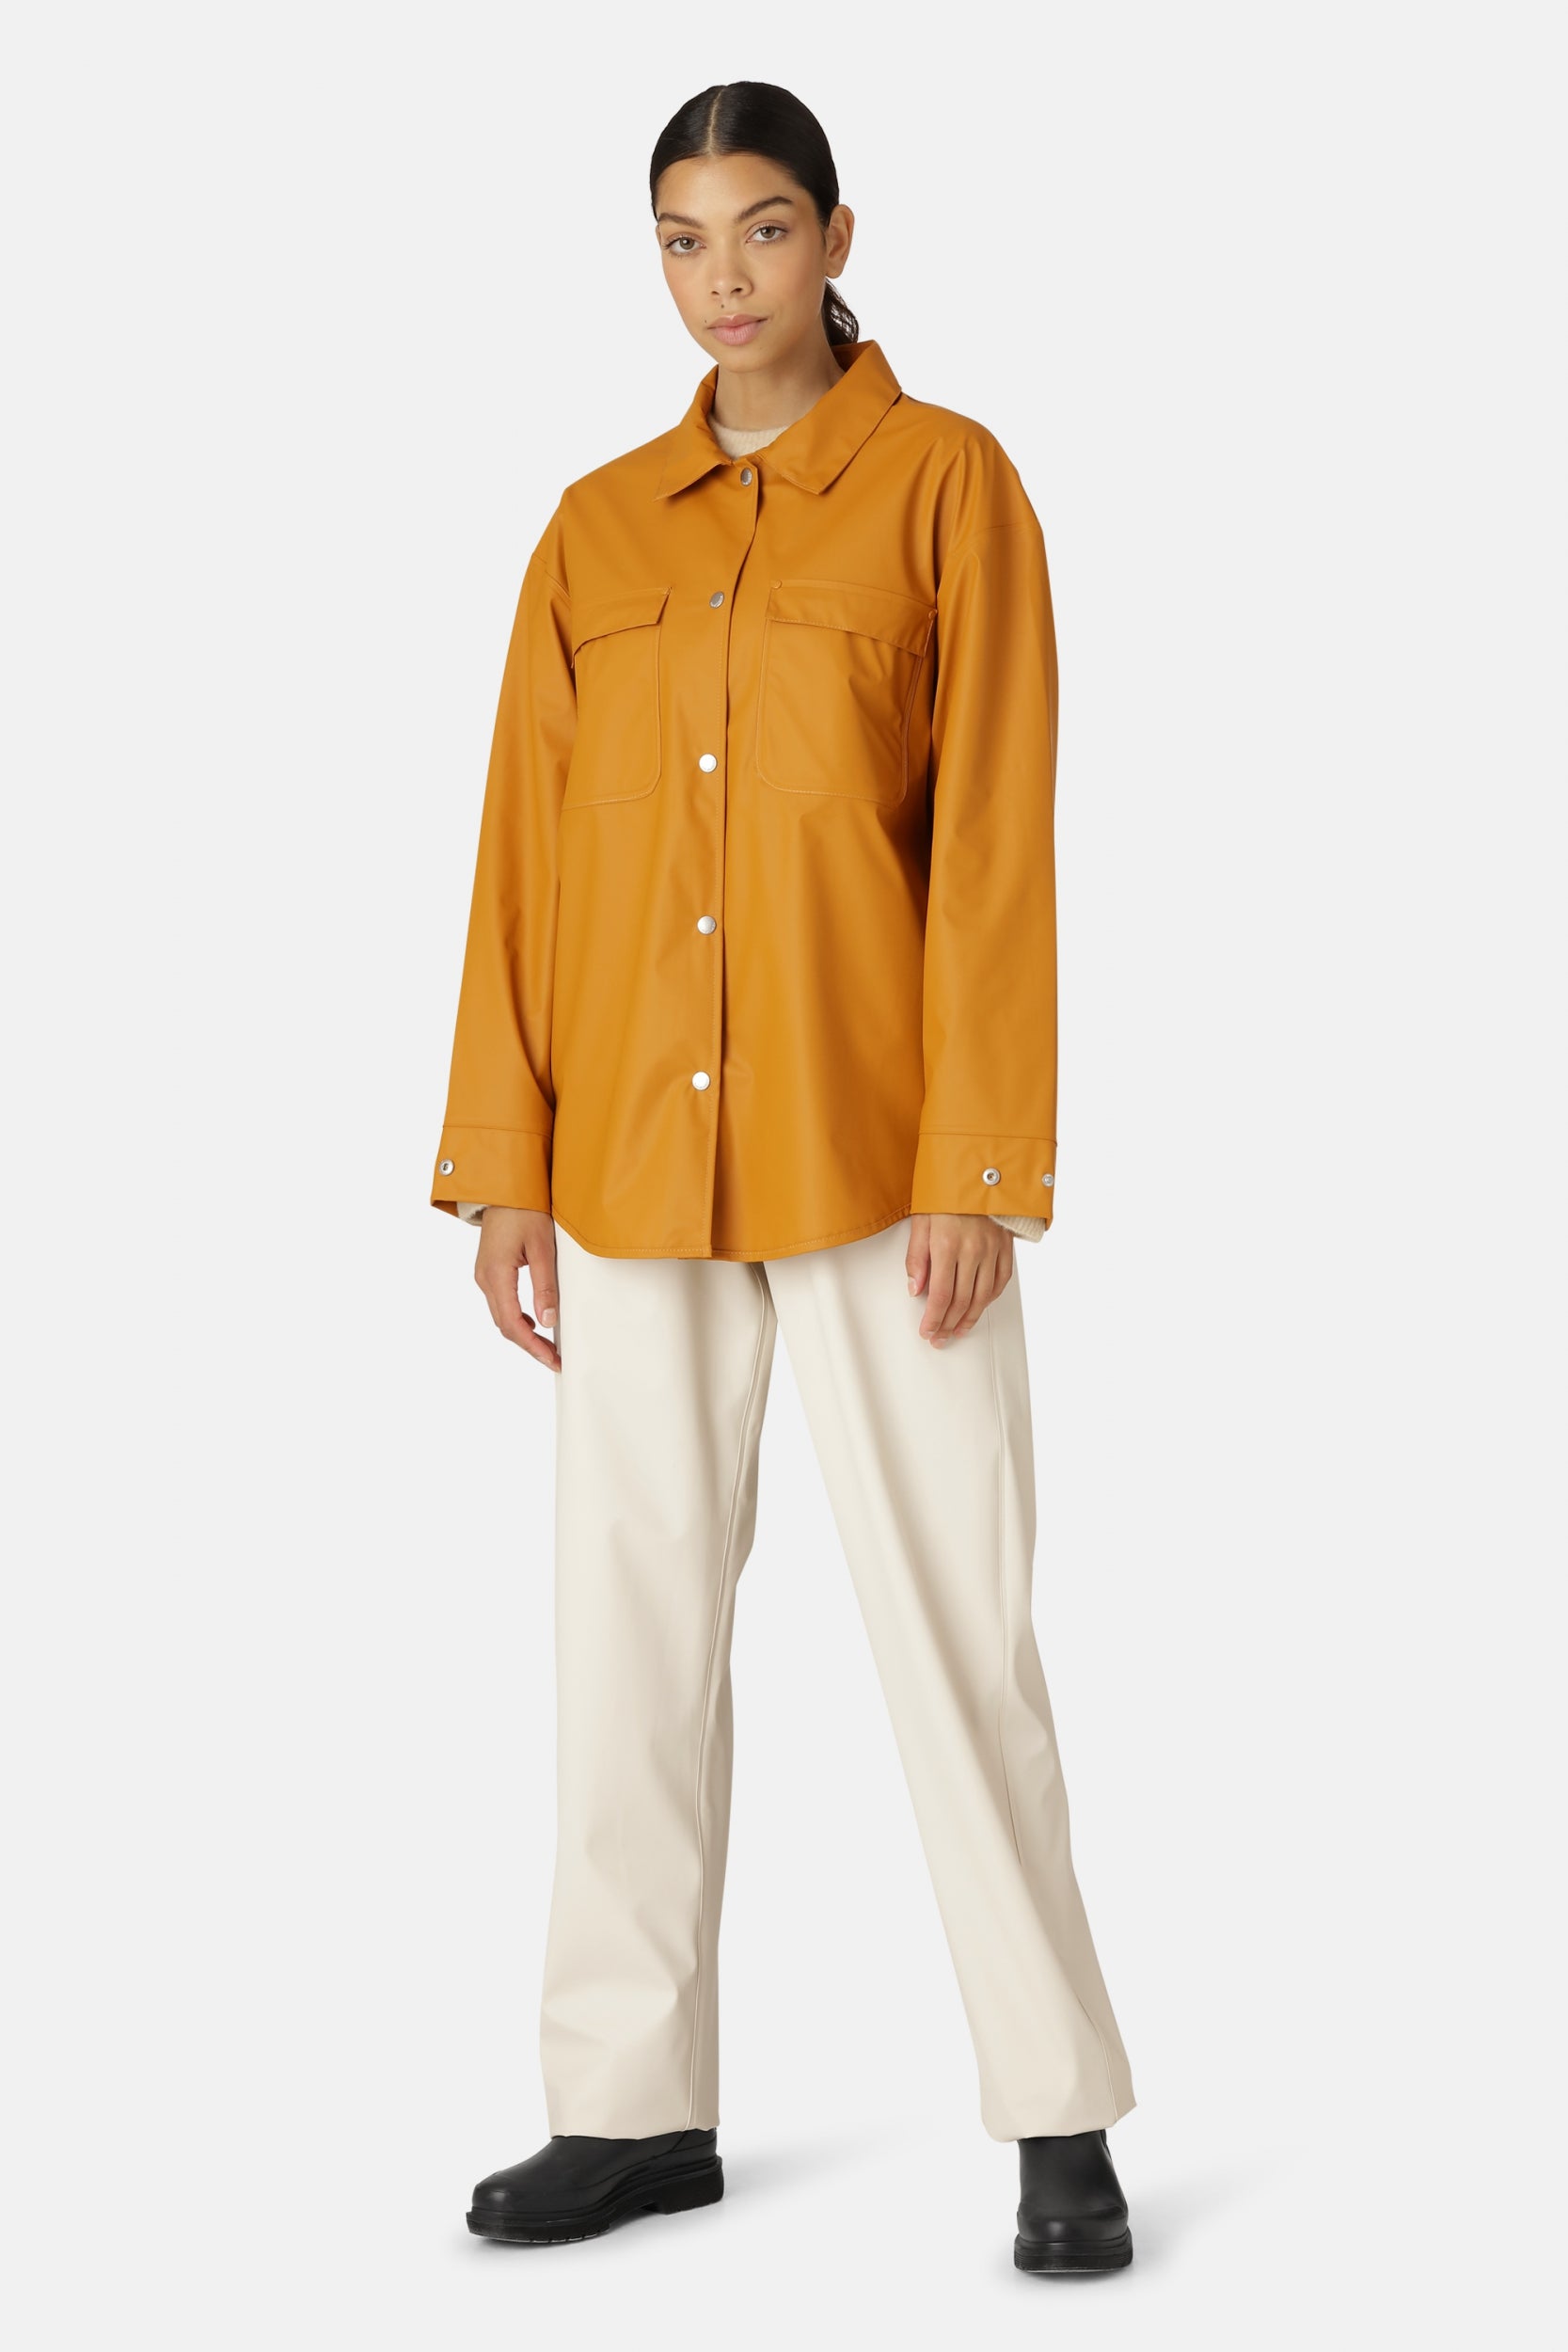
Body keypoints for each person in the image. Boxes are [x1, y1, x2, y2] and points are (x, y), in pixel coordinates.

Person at [431, 80, 1135, 2275]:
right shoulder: (593, 531)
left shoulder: (947, 488)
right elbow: (526, 854)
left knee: (958, 1632)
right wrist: (506, 1162)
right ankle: (628, 2106)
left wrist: (980, 1164)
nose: (720, 279)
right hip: (631, 1164)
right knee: (623, 1641)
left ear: (836, 234)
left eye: (757, 229)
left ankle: (1057, 2107)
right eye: (679, 239)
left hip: (881, 1163)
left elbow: (993, 842)